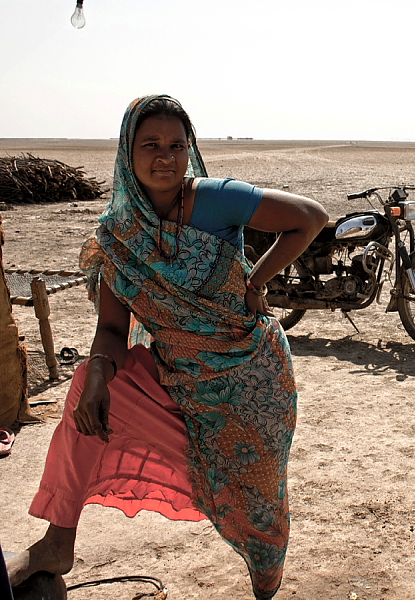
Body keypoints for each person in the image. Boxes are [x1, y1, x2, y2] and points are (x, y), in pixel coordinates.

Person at [5, 95, 328, 599]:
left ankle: (265, 586)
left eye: (177, 145)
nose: (165, 157)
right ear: (126, 153)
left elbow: (310, 217)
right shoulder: (118, 235)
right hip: (176, 375)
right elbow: (113, 330)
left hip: (251, 378)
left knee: (258, 506)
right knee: (85, 393)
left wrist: (258, 282)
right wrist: (95, 376)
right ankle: (57, 540)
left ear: (190, 150)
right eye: (150, 145)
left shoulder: (215, 198)